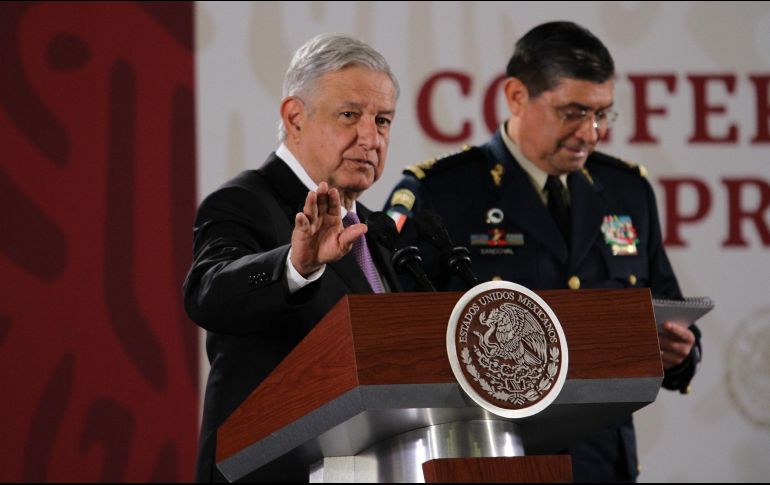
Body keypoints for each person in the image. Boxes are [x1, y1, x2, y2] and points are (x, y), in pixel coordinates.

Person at [384, 21, 701, 482]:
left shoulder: (626, 191)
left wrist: (681, 353)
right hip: (492, 456)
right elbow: (399, 340)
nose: (590, 133)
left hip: (602, 464)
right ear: (516, 96)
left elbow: (667, 308)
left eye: (602, 115)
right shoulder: (443, 194)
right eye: (572, 112)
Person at [183, 33, 401, 482]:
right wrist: (296, 267)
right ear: (295, 117)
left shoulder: (378, 230)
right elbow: (209, 293)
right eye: (349, 115)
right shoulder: (241, 202)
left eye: (382, 120)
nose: (370, 137)